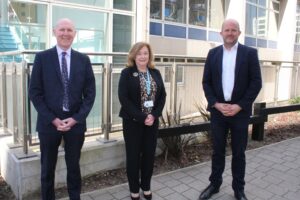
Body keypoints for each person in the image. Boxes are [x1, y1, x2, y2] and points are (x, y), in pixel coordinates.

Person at [29, 18, 96, 200]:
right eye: (62, 30)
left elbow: (90, 94)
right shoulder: (42, 58)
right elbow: (35, 93)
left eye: (69, 30)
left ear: (74, 34)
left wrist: (76, 119)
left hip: (75, 124)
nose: (65, 33)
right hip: (49, 124)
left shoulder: (83, 60)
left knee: (74, 167)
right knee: (47, 169)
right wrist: (53, 119)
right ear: (54, 32)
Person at [200, 19, 262, 200]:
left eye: (234, 30)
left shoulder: (249, 53)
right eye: (227, 30)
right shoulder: (213, 54)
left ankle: (238, 189)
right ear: (221, 33)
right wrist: (216, 104)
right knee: (217, 150)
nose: (230, 33)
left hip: (239, 113)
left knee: (239, 152)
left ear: (239, 33)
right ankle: (215, 184)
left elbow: (256, 82)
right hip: (218, 112)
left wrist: (240, 105)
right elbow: (206, 82)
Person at [118, 42, 166, 200]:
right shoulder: (127, 73)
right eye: (139, 54)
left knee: (149, 155)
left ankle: (146, 186)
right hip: (132, 122)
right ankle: (133, 189)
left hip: (152, 122)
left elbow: (162, 96)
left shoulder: (155, 72)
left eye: (145, 53)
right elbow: (123, 98)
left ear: (149, 55)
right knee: (133, 156)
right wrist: (142, 116)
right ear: (133, 55)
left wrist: (154, 115)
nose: (142, 56)